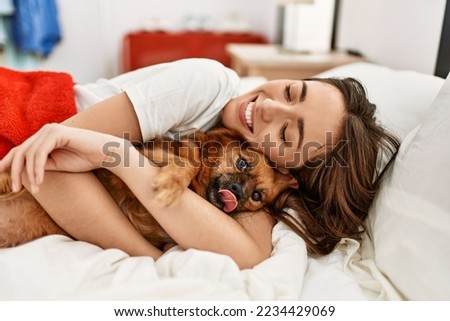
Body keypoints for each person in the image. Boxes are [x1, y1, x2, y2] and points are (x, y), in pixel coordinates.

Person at [0, 58, 400, 269]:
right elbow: (46, 164)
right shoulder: (207, 84)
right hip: (21, 118)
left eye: (286, 135)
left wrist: (126, 164)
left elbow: (249, 253)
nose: (268, 106)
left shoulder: (255, 177)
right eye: (293, 90)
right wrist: (149, 258)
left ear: (288, 172)